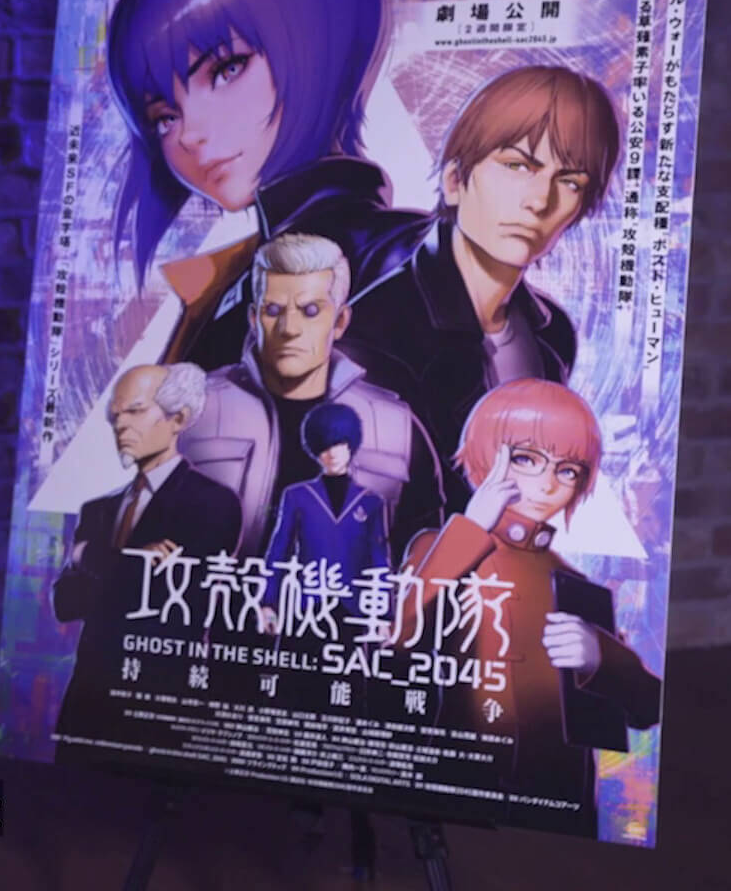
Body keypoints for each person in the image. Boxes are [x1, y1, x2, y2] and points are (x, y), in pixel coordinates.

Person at [104, 0, 422, 372]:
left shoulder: (399, 257)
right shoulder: (233, 280)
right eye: (165, 117)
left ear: (319, 40)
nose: (189, 135)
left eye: (226, 70)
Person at [339, 65, 619, 515]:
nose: (539, 201)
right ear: (454, 181)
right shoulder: (375, 331)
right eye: (517, 166)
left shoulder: (552, 335)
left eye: (570, 182)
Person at [392, 379, 661, 837]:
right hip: (458, 785)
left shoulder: (574, 584)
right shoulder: (441, 548)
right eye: (526, 459)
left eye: (568, 470)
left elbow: (647, 706)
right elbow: (399, 636)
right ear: (485, 453)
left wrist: (601, 656)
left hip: (560, 798)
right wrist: (473, 526)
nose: (547, 484)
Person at [178, 233, 442, 563]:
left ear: (340, 321)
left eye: (311, 310)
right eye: (273, 310)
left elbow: (429, 556)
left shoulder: (396, 427)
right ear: (253, 319)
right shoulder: (192, 410)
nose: (289, 328)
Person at [50, 363, 241, 752]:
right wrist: (130, 562)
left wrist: (88, 556)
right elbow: (65, 603)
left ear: (179, 418)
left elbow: (165, 598)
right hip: (88, 701)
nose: (120, 424)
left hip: (160, 701)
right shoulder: (98, 510)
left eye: (135, 410)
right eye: (115, 415)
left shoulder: (213, 503)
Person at [261, 402, 388, 618]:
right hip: (306, 605)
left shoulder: (370, 501)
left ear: (350, 445)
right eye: (324, 447)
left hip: (353, 607)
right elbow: (278, 550)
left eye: (339, 444)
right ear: (315, 451)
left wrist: (384, 615)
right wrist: (267, 603)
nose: (332, 453)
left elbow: (379, 559)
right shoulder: (297, 496)